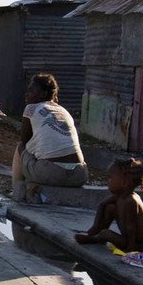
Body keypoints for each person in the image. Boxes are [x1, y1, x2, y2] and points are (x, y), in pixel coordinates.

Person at [11, 73, 88, 203]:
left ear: (42, 94)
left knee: (20, 148)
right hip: (79, 174)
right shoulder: (64, 111)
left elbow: (24, 142)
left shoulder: (31, 109)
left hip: (52, 173)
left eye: (31, 90)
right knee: (37, 153)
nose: (27, 94)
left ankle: (16, 191)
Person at [75, 158, 143, 252]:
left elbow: (131, 228)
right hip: (128, 239)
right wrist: (94, 228)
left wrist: (130, 251)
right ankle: (96, 235)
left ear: (125, 182)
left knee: (106, 233)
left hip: (138, 246)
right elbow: (102, 205)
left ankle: (96, 239)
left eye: (111, 178)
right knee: (110, 208)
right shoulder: (120, 196)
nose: (108, 181)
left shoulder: (131, 201)